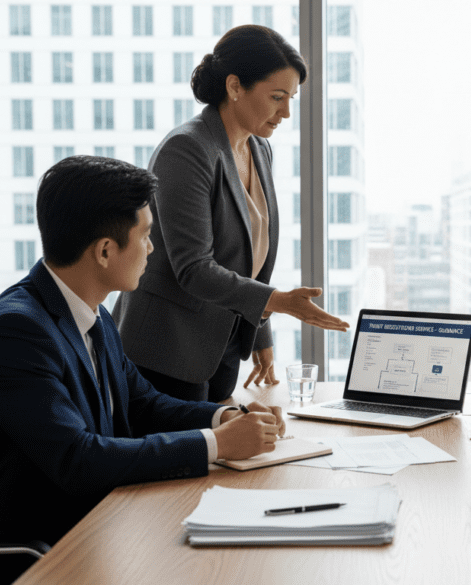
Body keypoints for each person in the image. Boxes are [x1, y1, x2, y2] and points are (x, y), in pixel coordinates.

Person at [0, 156, 287, 584]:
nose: (152, 249)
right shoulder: (15, 333)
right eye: (145, 236)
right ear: (105, 250)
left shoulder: (93, 314)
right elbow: (78, 460)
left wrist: (226, 418)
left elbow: (144, 404)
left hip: (94, 525)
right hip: (31, 554)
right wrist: (216, 444)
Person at [112, 25, 348, 403]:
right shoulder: (187, 150)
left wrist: (259, 332)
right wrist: (281, 301)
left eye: (291, 98)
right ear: (235, 87)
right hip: (164, 352)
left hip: (217, 347)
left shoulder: (258, 148)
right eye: (276, 97)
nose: (286, 112)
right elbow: (194, 268)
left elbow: (250, 257)